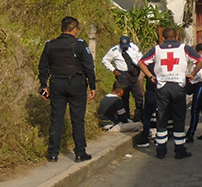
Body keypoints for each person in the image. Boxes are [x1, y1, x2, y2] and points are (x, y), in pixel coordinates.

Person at [38, 16, 96, 163]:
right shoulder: (80, 45)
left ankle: (52, 154)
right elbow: (89, 67)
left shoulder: (50, 45)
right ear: (75, 29)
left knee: (56, 119)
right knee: (77, 119)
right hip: (76, 83)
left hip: (56, 83)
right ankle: (79, 153)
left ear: (61, 28)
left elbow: (43, 67)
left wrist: (43, 86)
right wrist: (92, 86)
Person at [138, 28, 202, 159]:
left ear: (162, 38)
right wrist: (192, 74)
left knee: (162, 117)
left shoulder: (156, 49)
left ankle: (161, 150)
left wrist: (151, 76)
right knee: (179, 117)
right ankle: (179, 150)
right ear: (177, 36)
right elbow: (200, 60)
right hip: (178, 86)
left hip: (162, 86)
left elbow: (141, 62)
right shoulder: (184, 48)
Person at [101, 36, 144, 123]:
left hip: (135, 74)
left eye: (126, 45)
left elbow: (141, 58)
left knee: (139, 95)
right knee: (124, 97)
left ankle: (139, 115)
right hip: (123, 75)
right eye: (123, 45)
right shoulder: (114, 50)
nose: (124, 47)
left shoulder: (134, 48)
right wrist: (113, 69)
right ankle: (126, 117)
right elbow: (105, 60)